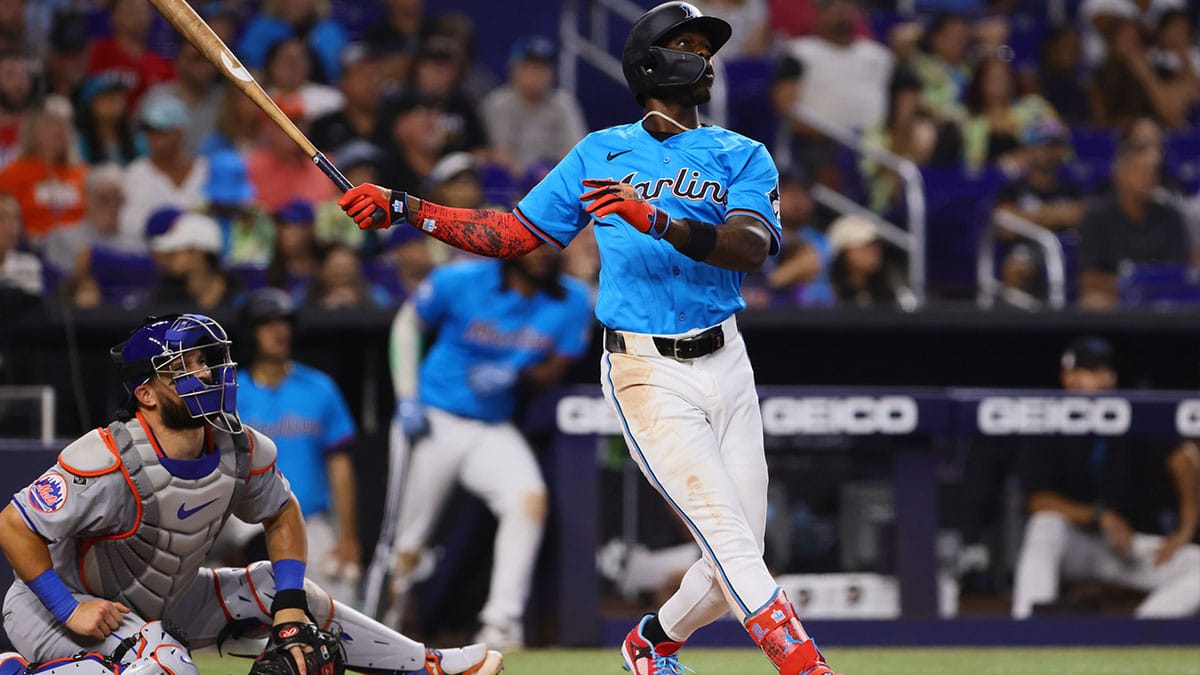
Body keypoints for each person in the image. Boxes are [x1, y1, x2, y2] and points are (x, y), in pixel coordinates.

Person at [339, 3, 845, 673]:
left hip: (727, 358)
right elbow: (513, 234)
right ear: (650, 62)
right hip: (647, 370)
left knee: (734, 559)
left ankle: (649, 646)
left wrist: (659, 220)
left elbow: (750, 247)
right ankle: (807, 665)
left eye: (706, 46)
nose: (705, 57)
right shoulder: (600, 151)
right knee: (730, 540)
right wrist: (407, 207)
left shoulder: (739, 153)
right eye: (688, 44)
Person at [0, 313, 504, 675]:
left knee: (289, 592)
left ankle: (431, 667)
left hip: (162, 600)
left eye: (204, 360)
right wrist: (69, 609)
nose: (204, 373)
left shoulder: (238, 445)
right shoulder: (108, 459)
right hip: (61, 613)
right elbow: (13, 524)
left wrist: (286, 609)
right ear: (146, 394)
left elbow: (283, 513)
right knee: (166, 661)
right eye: (182, 367)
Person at [380, 245, 591, 650]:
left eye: (554, 244)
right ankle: (383, 627)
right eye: (536, 243)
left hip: (491, 425)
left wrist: (518, 375)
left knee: (527, 499)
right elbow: (407, 325)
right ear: (514, 245)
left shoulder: (571, 297)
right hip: (432, 417)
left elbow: (557, 367)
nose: (545, 253)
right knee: (406, 539)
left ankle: (500, 626)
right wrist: (406, 395)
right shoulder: (461, 279)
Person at [1011, 336, 1200, 619]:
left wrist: (1185, 530)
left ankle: (1139, 636)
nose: (1102, 378)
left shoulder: (1132, 413)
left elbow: (1185, 461)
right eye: (1091, 370)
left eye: (1106, 370)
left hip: (1131, 546)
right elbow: (1038, 501)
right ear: (1069, 378)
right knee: (1045, 526)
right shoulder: (1049, 420)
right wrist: (1099, 515)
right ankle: (1028, 632)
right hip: (1077, 543)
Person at [223, 289, 364, 603]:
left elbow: (340, 467)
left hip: (309, 518)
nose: (279, 331)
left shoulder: (319, 388)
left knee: (341, 608)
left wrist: (348, 537)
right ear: (251, 331)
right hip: (243, 518)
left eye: (284, 322)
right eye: (267, 323)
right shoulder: (230, 394)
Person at [1077, 141, 1190, 309]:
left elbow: (1180, 272)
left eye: (1153, 173)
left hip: (1164, 303)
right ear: (1120, 175)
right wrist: (1134, 283)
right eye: (1140, 172)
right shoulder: (1096, 218)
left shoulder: (1170, 216)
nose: (1149, 179)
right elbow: (1088, 281)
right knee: (1092, 303)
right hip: (1116, 301)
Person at [481, 35, 588, 177]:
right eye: (530, 67)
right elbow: (499, 153)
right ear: (514, 69)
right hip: (512, 182)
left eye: (543, 68)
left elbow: (575, 151)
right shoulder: (498, 104)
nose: (537, 74)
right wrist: (530, 180)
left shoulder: (563, 103)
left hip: (554, 178)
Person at [119, 95, 209, 239]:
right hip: (151, 255)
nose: (154, 138)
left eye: (161, 131)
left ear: (180, 132)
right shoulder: (135, 173)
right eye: (150, 131)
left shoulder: (205, 169)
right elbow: (129, 227)